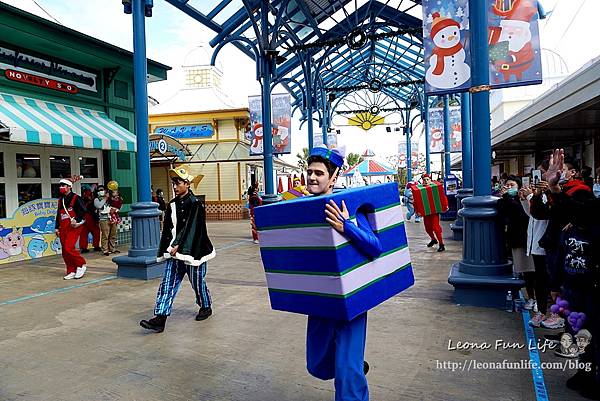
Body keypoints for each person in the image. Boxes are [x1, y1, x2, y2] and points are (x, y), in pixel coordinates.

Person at [304, 145, 382, 401]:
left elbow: (375, 247)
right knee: (316, 364)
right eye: (310, 172)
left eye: (319, 173)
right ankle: (355, 368)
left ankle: (352, 375)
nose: (312, 177)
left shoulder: (348, 206)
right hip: (320, 299)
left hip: (352, 298)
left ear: (333, 178)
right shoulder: (299, 208)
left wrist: (347, 226)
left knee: (347, 373)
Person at [140, 167, 215, 333]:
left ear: (187, 184)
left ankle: (206, 306)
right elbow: (168, 228)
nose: (175, 186)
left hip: (194, 251)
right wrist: (166, 248)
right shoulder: (172, 204)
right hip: (174, 252)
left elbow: (193, 227)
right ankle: (160, 318)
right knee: (167, 283)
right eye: (174, 183)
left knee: (197, 283)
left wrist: (179, 244)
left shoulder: (195, 204)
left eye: (178, 183)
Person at [497, 175, 536, 305]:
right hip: (515, 239)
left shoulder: (522, 200)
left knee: (532, 270)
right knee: (525, 270)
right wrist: (503, 199)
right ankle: (531, 297)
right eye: (507, 185)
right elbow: (502, 216)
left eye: (512, 185)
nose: (509, 188)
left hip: (528, 239)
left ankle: (535, 299)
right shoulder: (504, 200)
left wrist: (507, 197)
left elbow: (521, 213)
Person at [54, 178, 87, 280]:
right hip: (63, 227)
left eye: (63, 186)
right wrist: (56, 227)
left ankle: (81, 265)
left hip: (73, 227)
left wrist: (76, 219)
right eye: (60, 186)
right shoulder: (61, 200)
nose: (61, 188)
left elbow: (83, 210)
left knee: (69, 247)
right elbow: (58, 215)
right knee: (65, 251)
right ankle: (71, 270)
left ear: (69, 187)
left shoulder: (76, 198)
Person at [421, 174, 445, 252]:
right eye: (424, 180)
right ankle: (433, 239)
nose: (426, 181)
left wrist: (445, 206)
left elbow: (442, 197)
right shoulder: (419, 190)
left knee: (436, 228)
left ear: (430, 180)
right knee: (428, 229)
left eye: (427, 179)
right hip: (426, 213)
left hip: (434, 212)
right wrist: (417, 210)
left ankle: (441, 244)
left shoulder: (435, 188)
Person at [79, 188, 101, 253]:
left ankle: (83, 248)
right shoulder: (92, 202)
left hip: (84, 218)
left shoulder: (81, 201)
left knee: (83, 233)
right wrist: (97, 220)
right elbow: (93, 212)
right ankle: (96, 246)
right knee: (96, 232)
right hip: (91, 218)